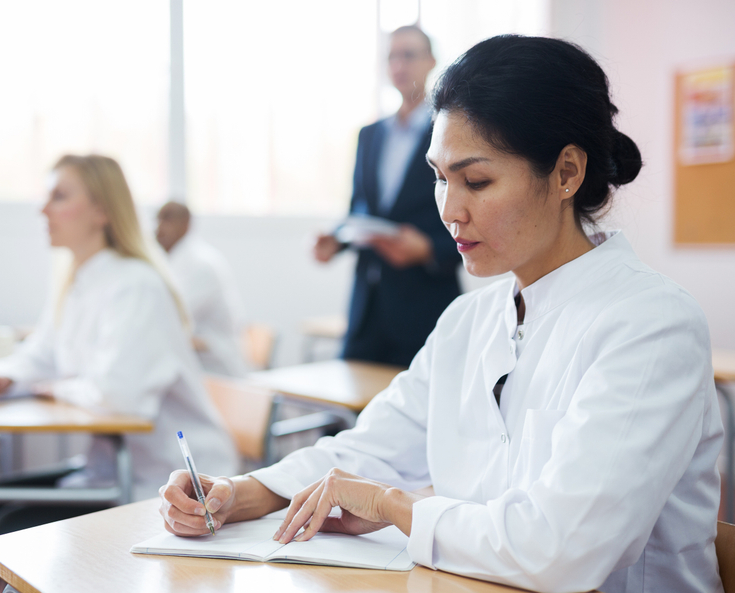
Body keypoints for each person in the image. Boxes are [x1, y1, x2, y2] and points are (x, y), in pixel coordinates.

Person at [157, 35, 723, 593]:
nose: (450, 210)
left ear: (566, 174)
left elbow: (562, 549)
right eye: (439, 177)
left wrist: (392, 505)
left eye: (477, 181)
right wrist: (240, 492)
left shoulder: (651, 324)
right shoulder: (468, 322)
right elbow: (371, 447)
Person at [0, 155, 237, 593]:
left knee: (5, 523)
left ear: (102, 211)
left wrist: (47, 387)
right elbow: (42, 353)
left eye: (59, 196)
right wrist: (3, 375)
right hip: (111, 465)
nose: (43, 210)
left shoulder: (135, 284)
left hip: (169, 483)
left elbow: (121, 398)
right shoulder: (78, 278)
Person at [313, 25, 461, 367]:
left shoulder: (451, 132)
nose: (399, 65)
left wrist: (428, 249)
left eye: (408, 55)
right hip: (368, 307)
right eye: (392, 56)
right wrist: (337, 240)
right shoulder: (370, 135)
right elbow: (360, 211)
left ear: (431, 62)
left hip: (424, 305)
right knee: (354, 413)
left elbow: (469, 212)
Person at [156, 200, 248, 377]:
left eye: (167, 220)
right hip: (195, 363)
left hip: (217, 367)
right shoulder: (171, 262)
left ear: (186, 225)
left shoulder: (202, 265)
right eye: (158, 220)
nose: (159, 228)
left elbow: (173, 316)